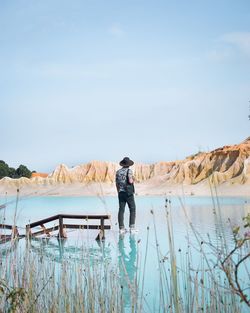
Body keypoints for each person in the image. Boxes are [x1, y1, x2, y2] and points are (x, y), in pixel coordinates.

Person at [116, 157, 136, 234]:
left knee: (121, 209)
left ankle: (121, 228)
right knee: (132, 208)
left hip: (120, 193)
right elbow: (130, 181)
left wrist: (118, 191)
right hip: (128, 193)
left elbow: (116, 183)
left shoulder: (118, 172)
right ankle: (132, 228)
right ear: (128, 164)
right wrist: (133, 179)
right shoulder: (129, 171)